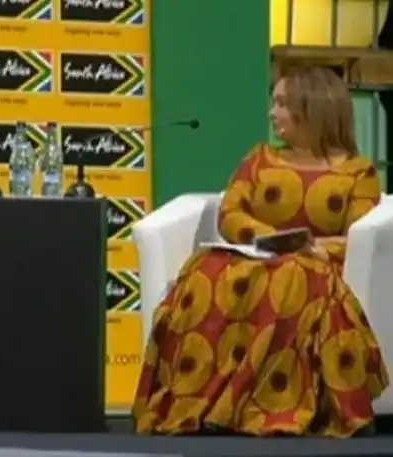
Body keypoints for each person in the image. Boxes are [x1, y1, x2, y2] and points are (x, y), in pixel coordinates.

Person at [133, 66, 389, 438]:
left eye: (282, 104)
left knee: (292, 276)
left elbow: (358, 234)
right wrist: (273, 238)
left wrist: (312, 247)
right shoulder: (259, 159)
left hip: (313, 265)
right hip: (253, 255)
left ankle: (269, 408)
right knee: (205, 271)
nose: (273, 113)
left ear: (311, 108)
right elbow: (230, 213)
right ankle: (198, 405)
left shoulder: (357, 172)